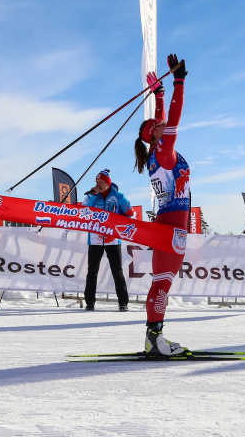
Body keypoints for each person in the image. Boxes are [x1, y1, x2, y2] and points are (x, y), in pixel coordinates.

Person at [134, 54, 190, 356]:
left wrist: (158, 91)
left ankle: (152, 338)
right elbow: (174, 116)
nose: (164, 124)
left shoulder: (156, 151)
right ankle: (155, 339)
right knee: (163, 284)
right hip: (174, 224)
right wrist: (179, 81)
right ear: (155, 133)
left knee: (160, 281)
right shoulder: (165, 152)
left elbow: (160, 116)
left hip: (166, 220)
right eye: (159, 126)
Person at [81, 169, 132, 312]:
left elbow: (130, 216)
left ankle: (123, 303)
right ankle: (89, 302)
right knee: (92, 272)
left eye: (101, 182)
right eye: (97, 182)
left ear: (108, 183)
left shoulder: (119, 197)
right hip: (95, 239)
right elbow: (82, 212)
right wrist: (91, 195)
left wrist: (117, 231)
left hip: (113, 240)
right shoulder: (92, 196)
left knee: (117, 272)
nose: (98, 184)